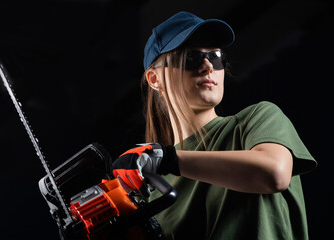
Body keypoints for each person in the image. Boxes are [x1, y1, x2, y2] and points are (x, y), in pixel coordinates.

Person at [112, 11, 317, 240]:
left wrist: (165, 159)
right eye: (191, 57)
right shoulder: (153, 189)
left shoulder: (256, 121)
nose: (208, 66)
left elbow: (274, 173)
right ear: (154, 79)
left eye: (216, 56)